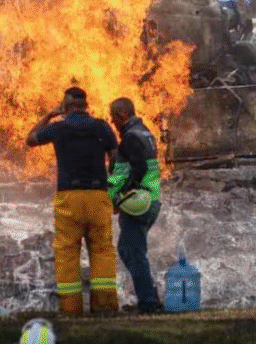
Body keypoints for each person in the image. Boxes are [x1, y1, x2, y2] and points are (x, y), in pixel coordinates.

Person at [26, 87, 119, 316]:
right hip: (98, 196)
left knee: (67, 252)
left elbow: (30, 139)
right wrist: (112, 185)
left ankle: (70, 309)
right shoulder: (101, 126)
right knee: (102, 250)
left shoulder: (59, 127)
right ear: (86, 105)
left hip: (70, 197)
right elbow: (115, 156)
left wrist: (49, 115)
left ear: (66, 106)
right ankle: (105, 307)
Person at [107, 97, 163, 314]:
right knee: (134, 250)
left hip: (139, 203)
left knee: (131, 251)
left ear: (121, 116)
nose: (113, 123)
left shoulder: (131, 137)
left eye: (113, 119)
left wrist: (121, 195)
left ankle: (148, 302)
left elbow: (137, 169)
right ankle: (150, 296)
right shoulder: (145, 132)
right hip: (151, 200)